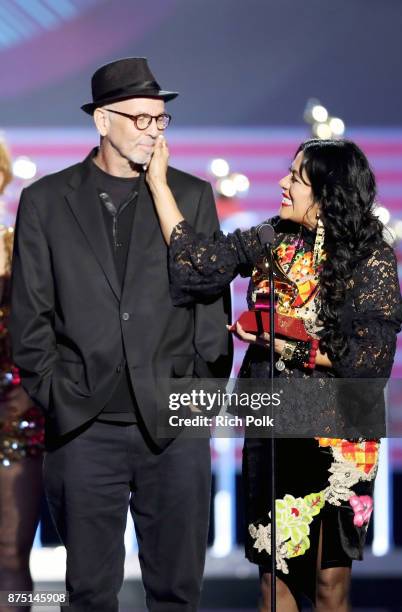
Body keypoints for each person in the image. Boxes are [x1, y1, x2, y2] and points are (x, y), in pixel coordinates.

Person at [145, 135, 402, 611]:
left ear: (327, 194)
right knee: (273, 583)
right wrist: (160, 185)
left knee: (330, 586)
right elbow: (195, 266)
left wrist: (290, 342)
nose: (282, 183)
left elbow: (371, 359)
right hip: (274, 425)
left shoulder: (370, 256)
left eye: (297, 178)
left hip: (341, 433)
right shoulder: (270, 238)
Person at [10, 58, 232, 612]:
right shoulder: (46, 201)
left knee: (178, 593)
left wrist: (199, 397)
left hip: (174, 426)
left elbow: (211, 306)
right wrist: (58, 396)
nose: (153, 131)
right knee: (88, 593)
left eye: (161, 120)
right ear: (102, 121)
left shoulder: (191, 196)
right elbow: (31, 316)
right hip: (84, 428)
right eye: (140, 119)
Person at [0, 141, 44, 612]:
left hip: (15, 417)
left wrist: (31, 391)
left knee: (12, 552)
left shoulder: (17, 247)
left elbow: (47, 328)